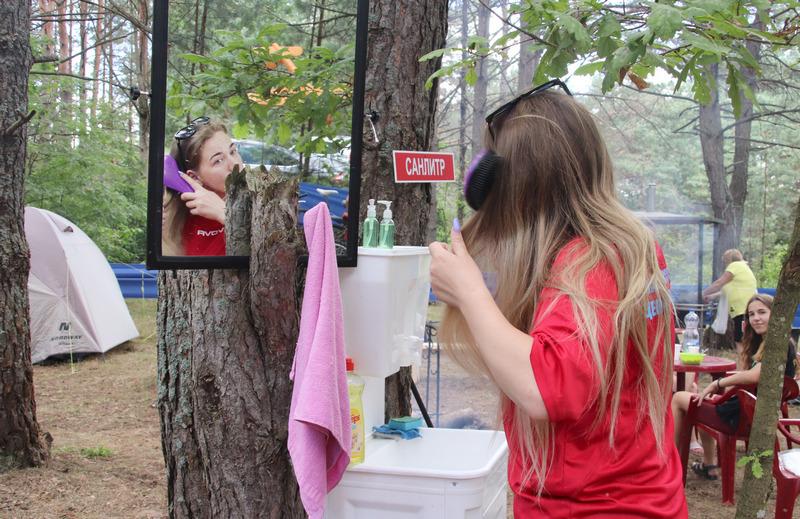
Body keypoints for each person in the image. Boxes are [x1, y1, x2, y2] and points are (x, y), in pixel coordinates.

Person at [428, 80, 687, 518]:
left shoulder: (593, 261)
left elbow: (546, 389)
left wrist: (469, 292)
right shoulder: (632, 247)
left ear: (518, 185)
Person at [672, 293, 796, 479]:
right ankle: (709, 465)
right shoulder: (775, 342)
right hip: (751, 411)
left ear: (776, 314)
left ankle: (670, 461)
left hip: (742, 417)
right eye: (751, 314)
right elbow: (750, 376)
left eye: (762, 312)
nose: (756, 318)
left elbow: (755, 375)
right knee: (702, 399)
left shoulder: (776, 345)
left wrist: (718, 383)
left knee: (679, 398)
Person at [162, 117, 243, 256]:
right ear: (194, 177)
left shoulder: (261, 204)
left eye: (233, 151)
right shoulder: (180, 223)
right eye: (218, 161)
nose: (234, 164)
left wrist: (225, 213)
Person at [702, 248, 758, 368]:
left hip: (743, 309)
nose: (724, 263)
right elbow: (727, 289)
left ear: (729, 259)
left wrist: (703, 292)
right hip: (744, 309)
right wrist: (711, 296)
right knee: (743, 339)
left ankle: (745, 368)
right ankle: (747, 366)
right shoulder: (743, 267)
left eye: (725, 260)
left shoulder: (735, 266)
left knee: (741, 340)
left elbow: (719, 283)